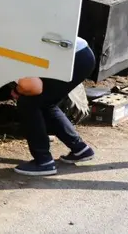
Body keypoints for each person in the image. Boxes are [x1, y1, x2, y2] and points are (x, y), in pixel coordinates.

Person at [12, 37, 97, 176]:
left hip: (72, 57)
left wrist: (17, 91)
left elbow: (34, 87)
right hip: (82, 53)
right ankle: (80, 149)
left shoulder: (4, 50)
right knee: (46, 102)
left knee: (28, 102)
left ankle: (43, 162)